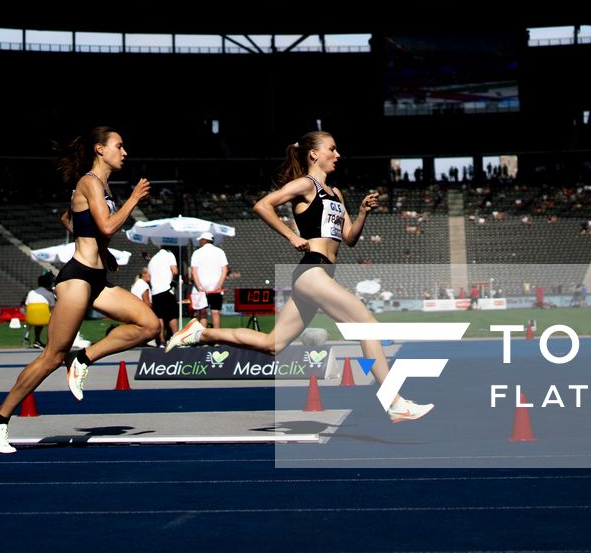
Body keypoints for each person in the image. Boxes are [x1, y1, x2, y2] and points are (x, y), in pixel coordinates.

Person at [168, 131, 431, 421]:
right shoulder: (306, 184)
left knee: (272, 345)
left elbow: (349, 238)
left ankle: (200, 333)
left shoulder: (336, 193)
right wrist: (292, 236)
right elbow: (262, 205)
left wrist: (362, 214)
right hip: (312, 270)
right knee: (366, 325)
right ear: (314, 154)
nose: (338, 154)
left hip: (320, 274)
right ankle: (394, 402)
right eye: (332, 148)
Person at [0, 128, 159, 454]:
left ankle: (84, 358)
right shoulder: (90, 181)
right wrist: (133, 199)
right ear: (100, 149)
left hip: (95, 278)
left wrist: (102, 254)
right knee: (51, 357)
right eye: (119, 145)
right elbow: (105, 226)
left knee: (149, 325)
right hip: (76, 278)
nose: (125, 152)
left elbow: (69, 219)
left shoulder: (101, 187)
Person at [188, 231, 231, 332]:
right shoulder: (220, 251)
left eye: (200, 240)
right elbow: (224, 270)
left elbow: (194, 272)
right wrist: (219, 285)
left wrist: (199, 287)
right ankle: (217, 338)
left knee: (202, 313)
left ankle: (204, 338)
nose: (199, 242)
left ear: (204, 240)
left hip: (200, 288)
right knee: (215, 312)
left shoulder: (197, 253)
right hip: (216, 288)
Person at [145, 243, 178, 347]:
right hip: (166, 289)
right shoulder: (169, 255)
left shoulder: (152, 259)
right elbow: (175, 271)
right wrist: (173, 280)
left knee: (160, 316)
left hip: (155, 291)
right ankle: (175, 337)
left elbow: (149, 277)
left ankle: (162, 341)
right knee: (172, 315)